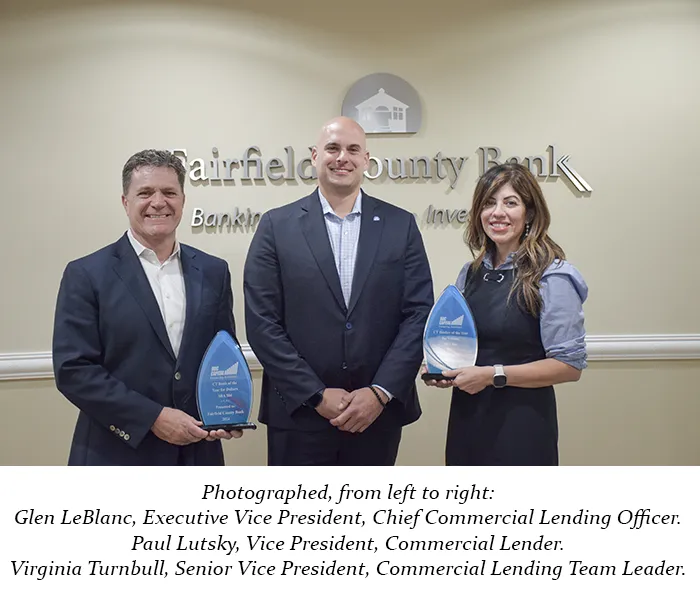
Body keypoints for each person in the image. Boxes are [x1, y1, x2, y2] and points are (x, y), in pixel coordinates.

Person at [244, 117, 433, 466]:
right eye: (332, 148)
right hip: (299, 414)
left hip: (377, 415)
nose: (341, 157)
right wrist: (314, 395)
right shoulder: (275, 227)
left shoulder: (400, 225)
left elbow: (418, 313)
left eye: (352, 149)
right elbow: (262, 322)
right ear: (315, 156)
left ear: (366, 160)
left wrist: (380, 393)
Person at [53, 149, 242, 466]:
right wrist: (153, 417)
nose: (158, 202)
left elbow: (222, 353)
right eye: (145, 193)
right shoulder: (86, 274)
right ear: (126, 202)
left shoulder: (214, 271)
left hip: (197, 453)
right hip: (115, 456)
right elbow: (74, 371)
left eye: (169, 192)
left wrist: (227, 408)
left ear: (182, 200)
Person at [424, 163, 587, 466]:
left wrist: (492, 376)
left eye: (510, 203)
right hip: (467, 420)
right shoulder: (470, 274)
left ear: (530, 213)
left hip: (521, 426)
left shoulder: (553, 276)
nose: (497, 212)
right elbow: (462, 344)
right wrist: (442, 368)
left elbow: (568, 367)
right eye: (489, 202)